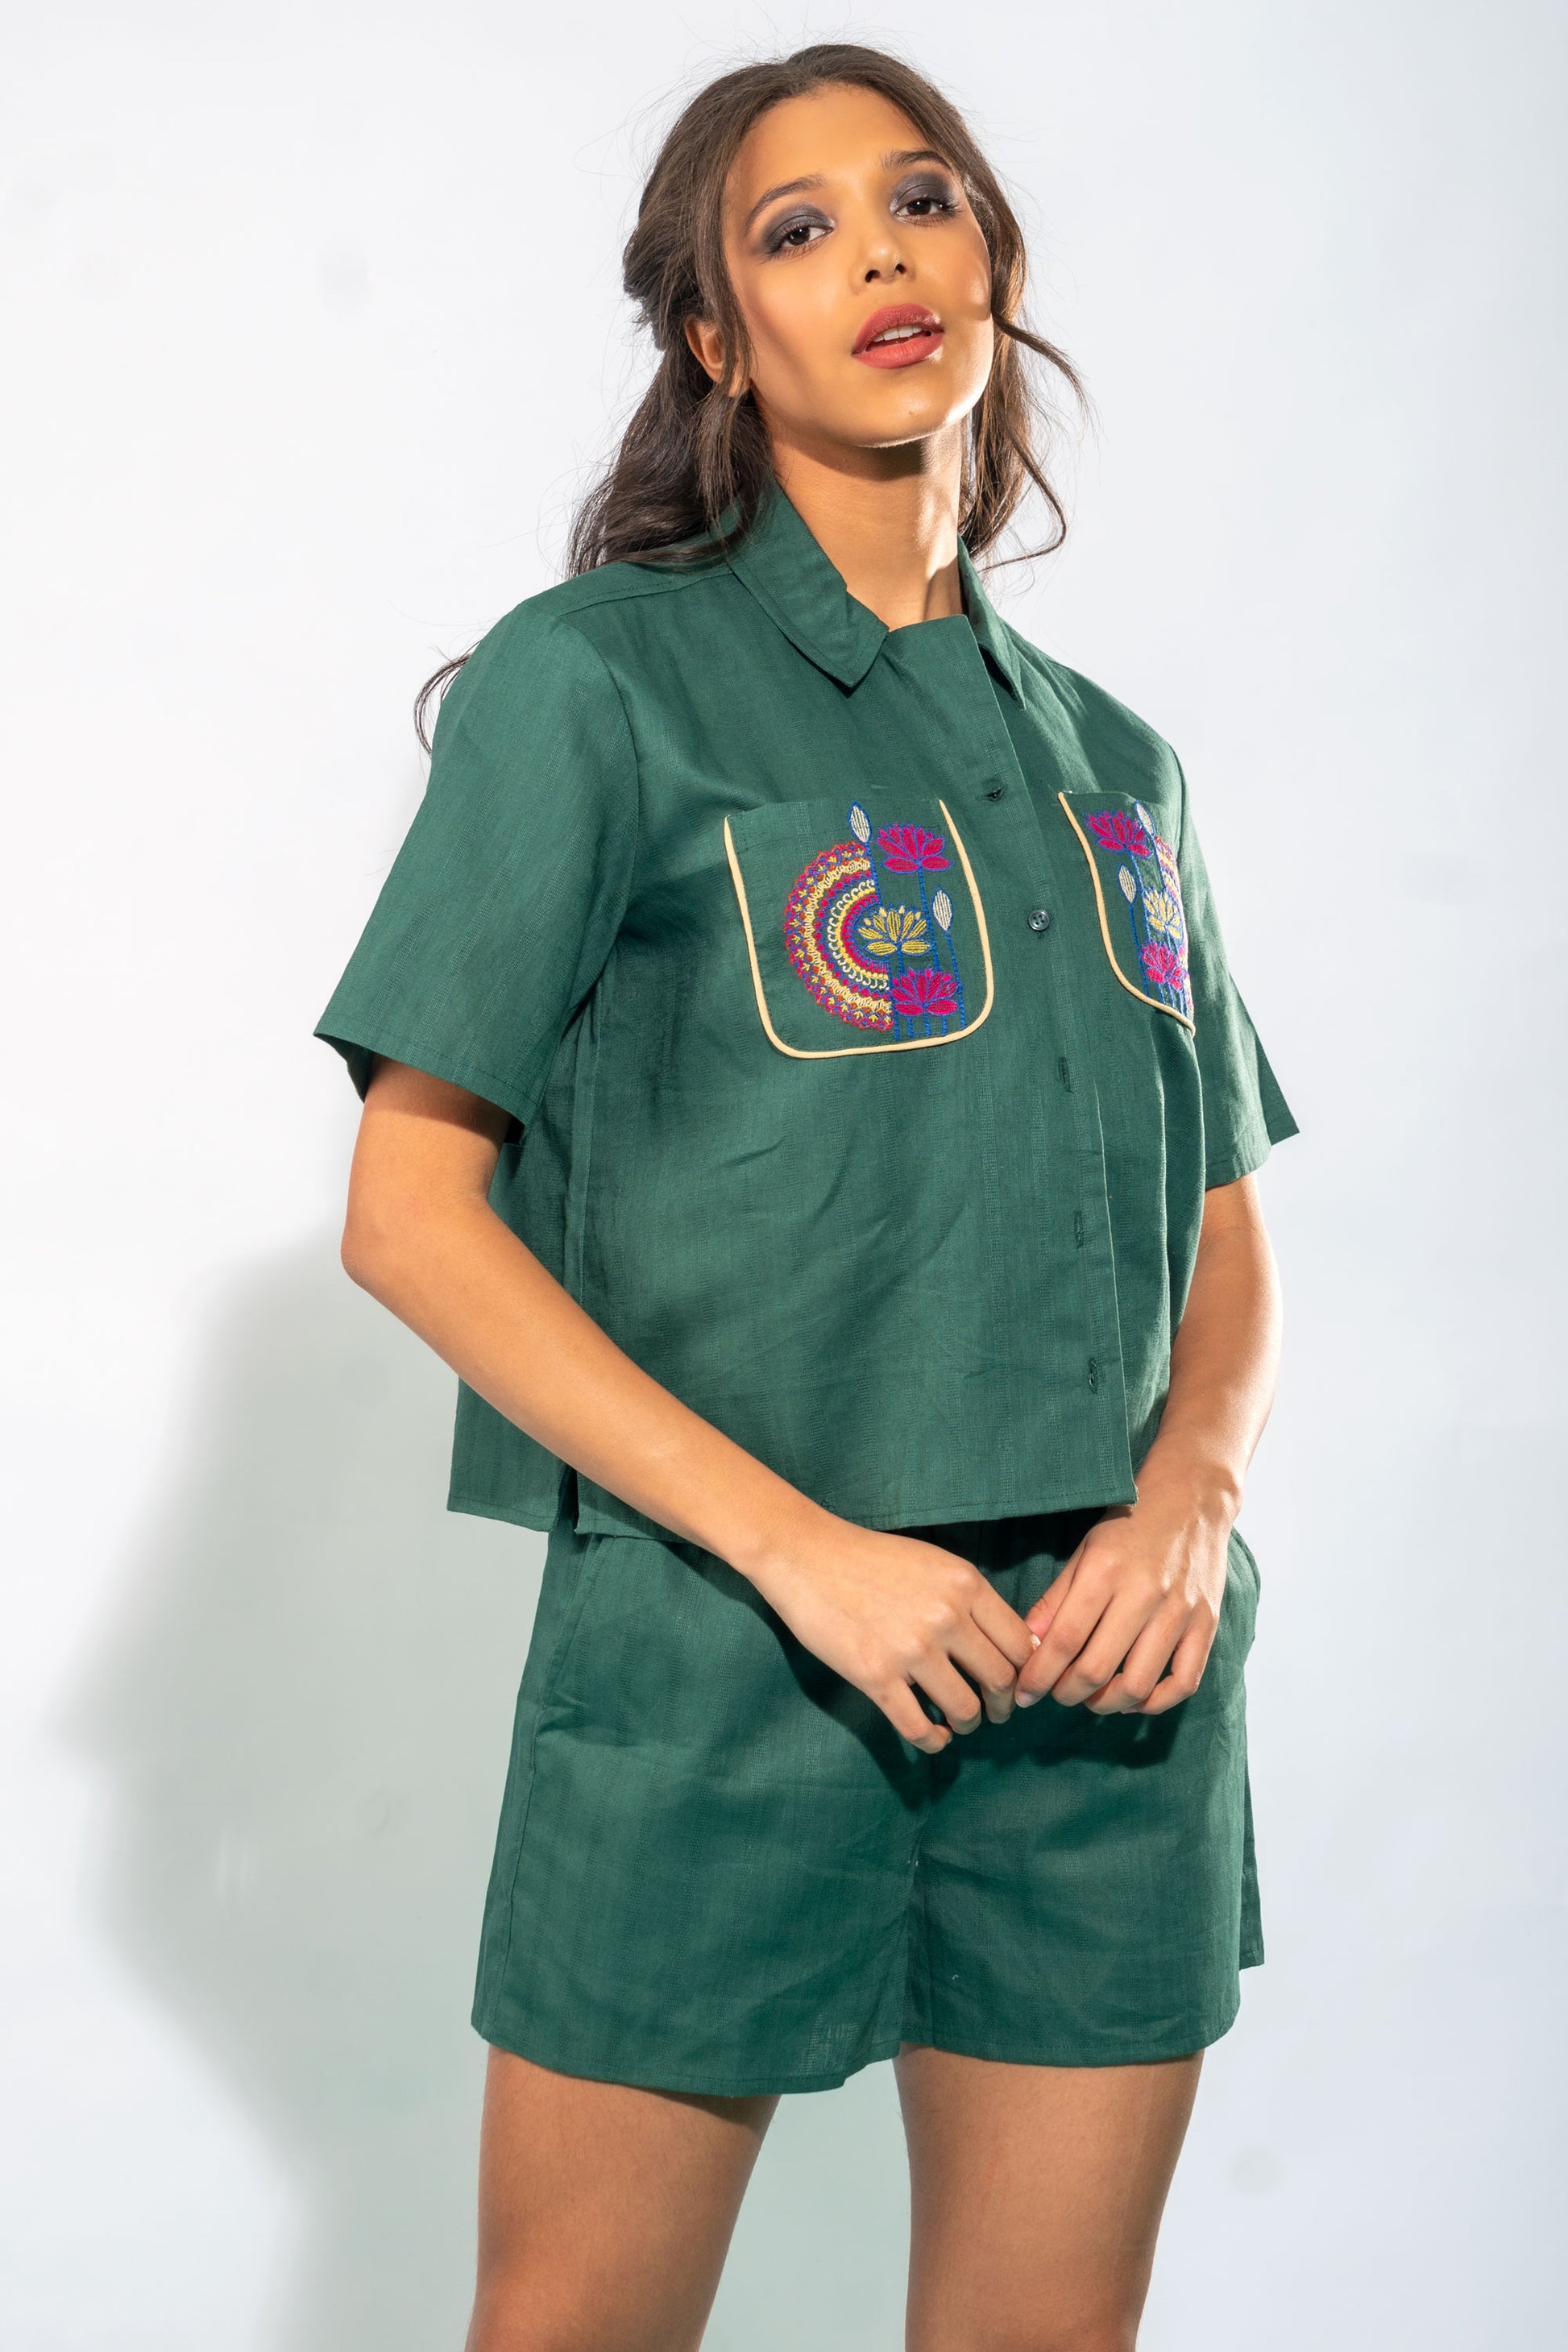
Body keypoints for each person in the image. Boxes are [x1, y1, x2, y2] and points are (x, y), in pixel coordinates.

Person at [315, 42, 1296, 2352]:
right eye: (797, 226)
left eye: (923, 199)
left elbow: (1221, 1214)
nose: (879, 251)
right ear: (715, 335)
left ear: (992, 263)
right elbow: (411, 1209)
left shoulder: (1119, 765)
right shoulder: (596, 684)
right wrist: (802, 1554)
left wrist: (1189, 1503)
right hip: (724, 1654)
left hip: (1104, 1680)